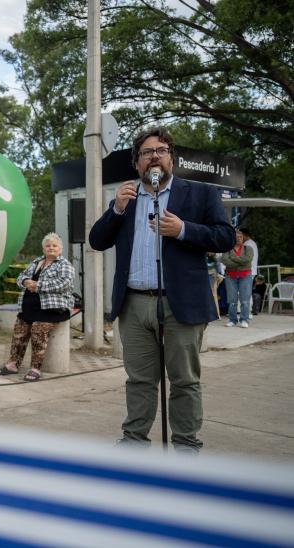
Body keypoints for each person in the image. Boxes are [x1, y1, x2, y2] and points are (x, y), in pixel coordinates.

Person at [88, 126, 234, 454]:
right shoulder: (127, 197)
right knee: (139, 382)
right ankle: (133, 445)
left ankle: (185, 449)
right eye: (146, 152)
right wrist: (116, 210)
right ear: (137, 163)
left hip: (180, 304)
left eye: (161, 150)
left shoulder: (197, 193)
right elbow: (96, 241)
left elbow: (225, 236)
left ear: (171, 158)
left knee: (184, 382)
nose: (154, 156)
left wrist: (184, 230)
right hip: (135, 305)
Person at [0, 233, 74, 381]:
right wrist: (25, 282)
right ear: (43, 249)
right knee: (19, 332)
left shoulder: (64, 265)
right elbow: (21, 276)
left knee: (38, 331)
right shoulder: (36, 262)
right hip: (30, 308)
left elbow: (64, 283)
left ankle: (35, 368)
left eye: (54, 246)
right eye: (48, 245)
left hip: (52, 309)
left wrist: (38, 285)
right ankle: (12, 364)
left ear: (60, 249)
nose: (51, 248)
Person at [220, 229, 254, 328]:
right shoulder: (227, 249)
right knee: (232, 300)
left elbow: (247, 260)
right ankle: (232, 320)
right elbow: (226, 261)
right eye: (237, 237)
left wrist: (233, 258)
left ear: (243, 238)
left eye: (241, 237)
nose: (239, 239)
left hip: (245, 276)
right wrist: (240, 262)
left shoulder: (249, 249)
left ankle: (244, 320)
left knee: (245, 300)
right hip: (230, 276)